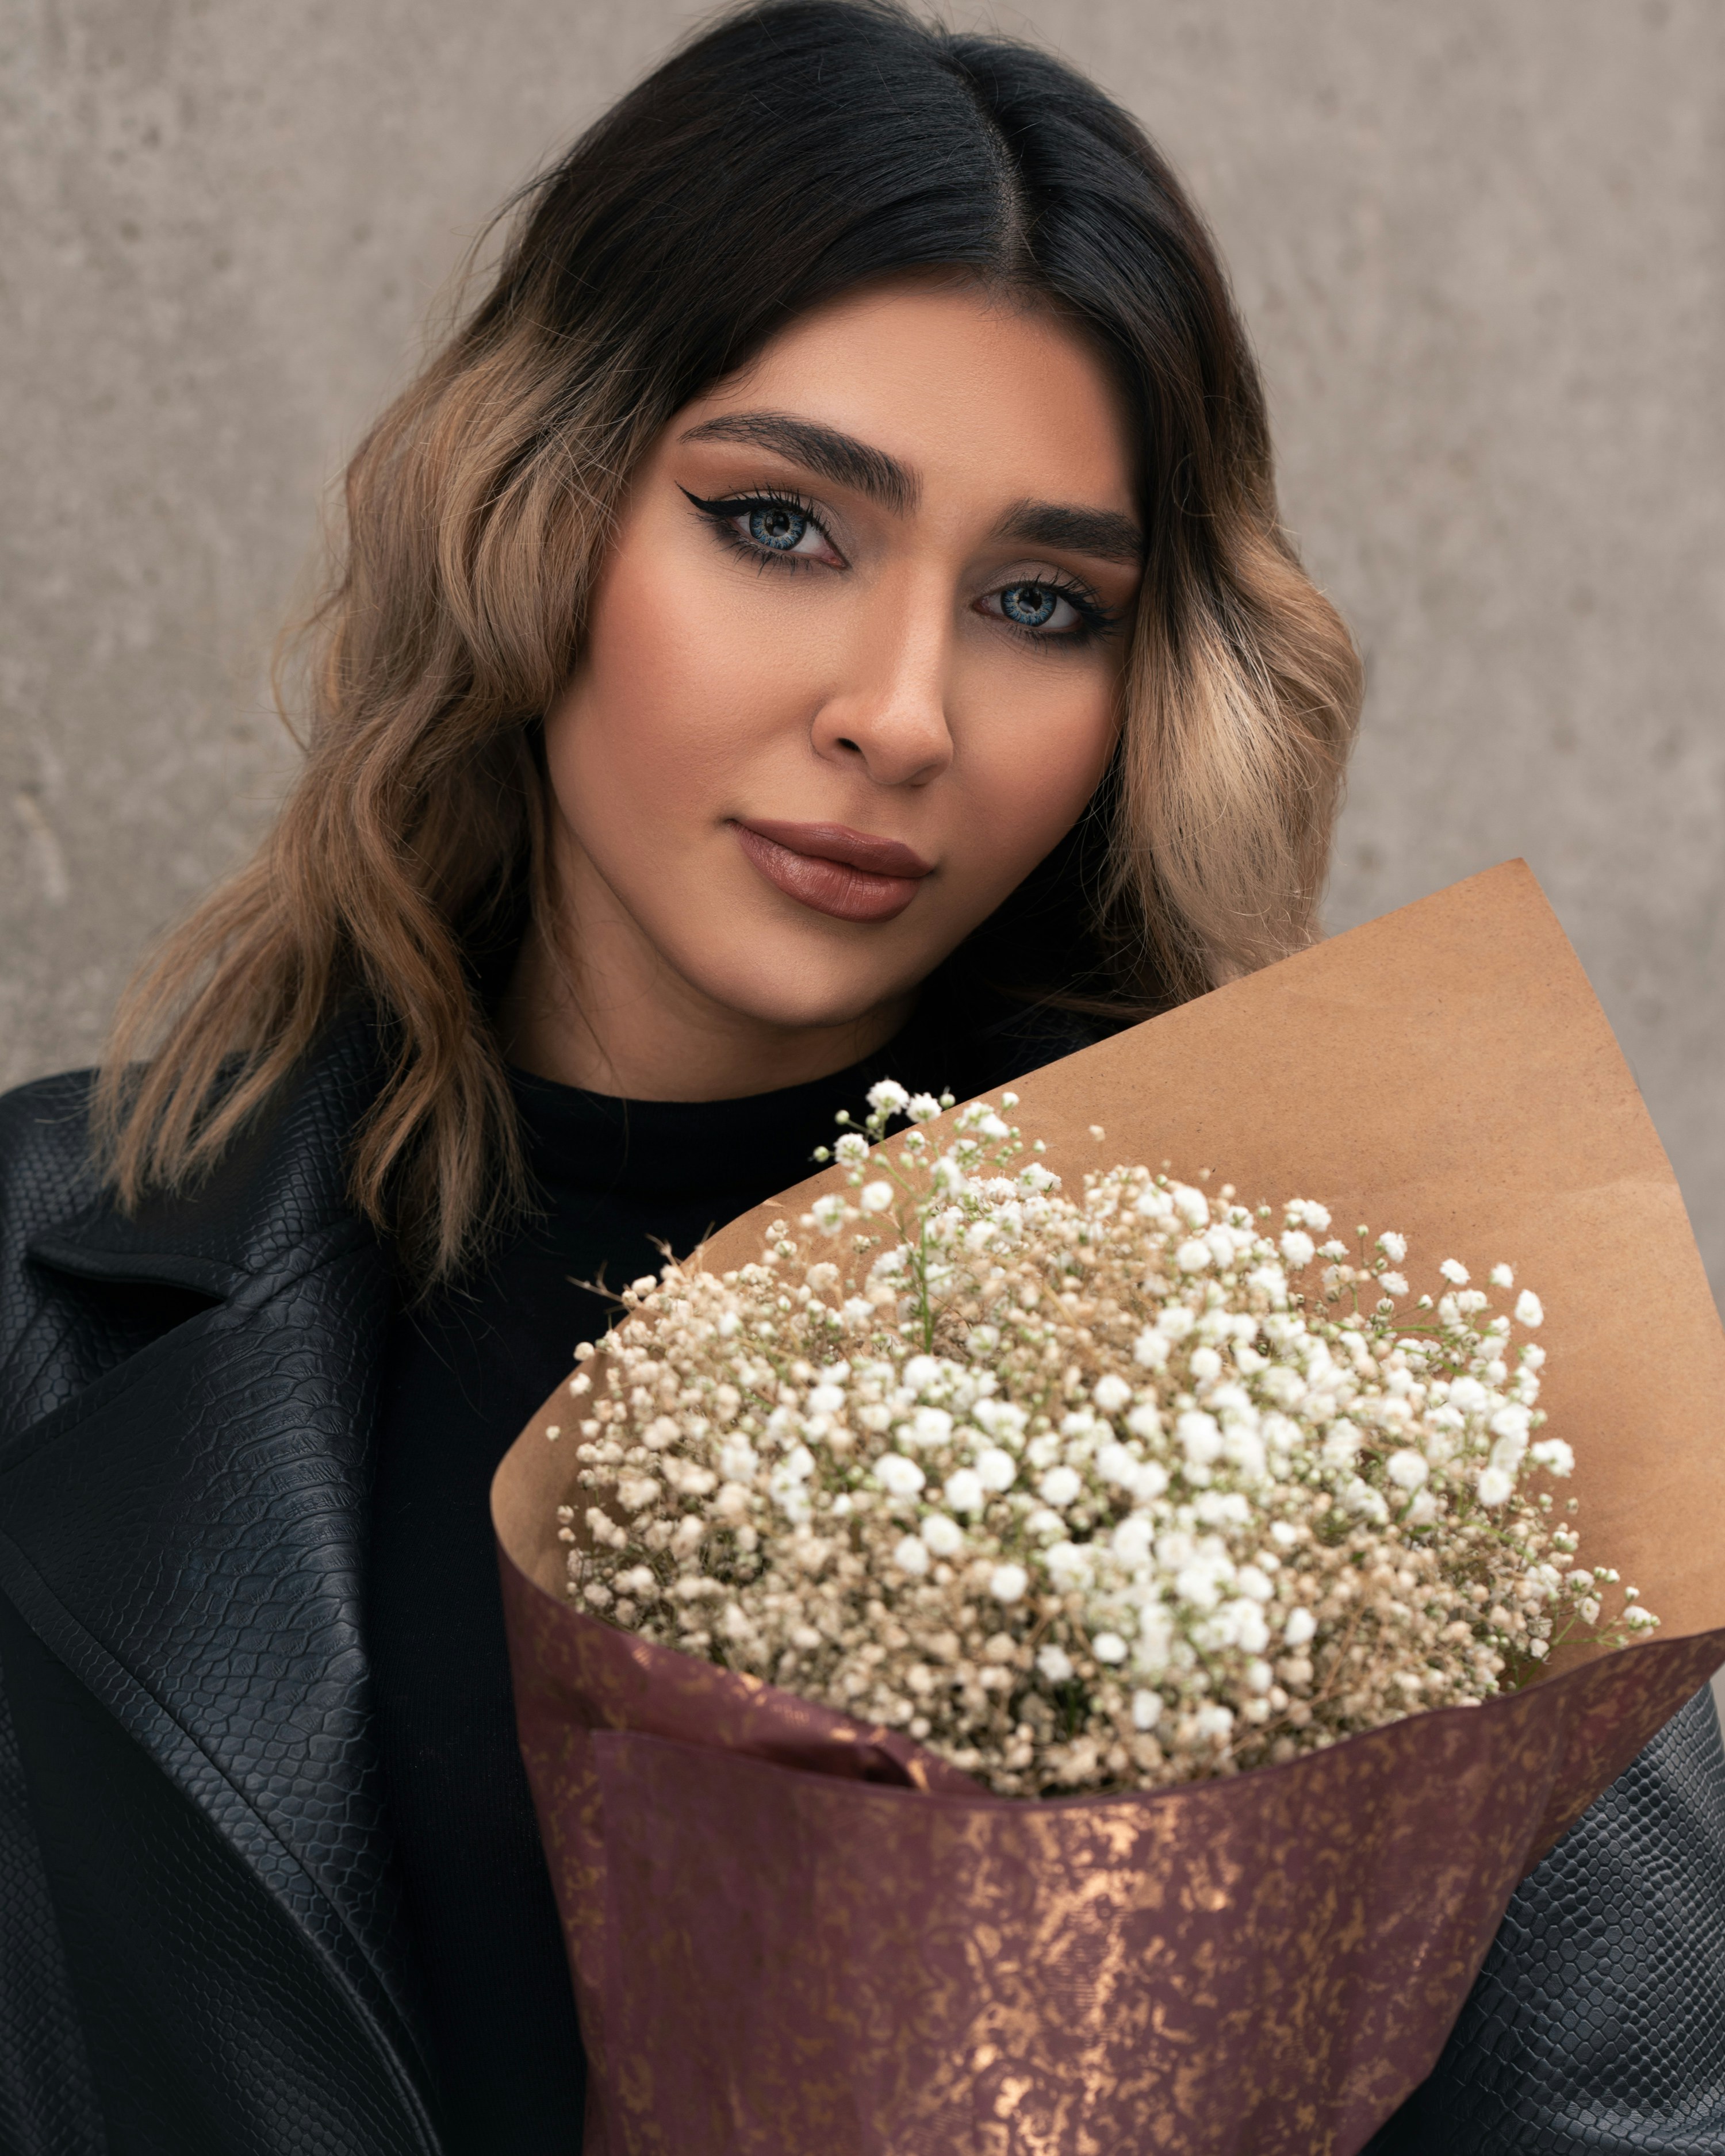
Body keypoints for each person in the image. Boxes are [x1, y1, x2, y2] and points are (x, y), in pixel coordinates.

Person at [0, 3, 1718, 2151]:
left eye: (1039, 599)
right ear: (542, 515)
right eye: (782, 524)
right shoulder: (40, 1283)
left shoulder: (1345, 1370)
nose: (904, 712)